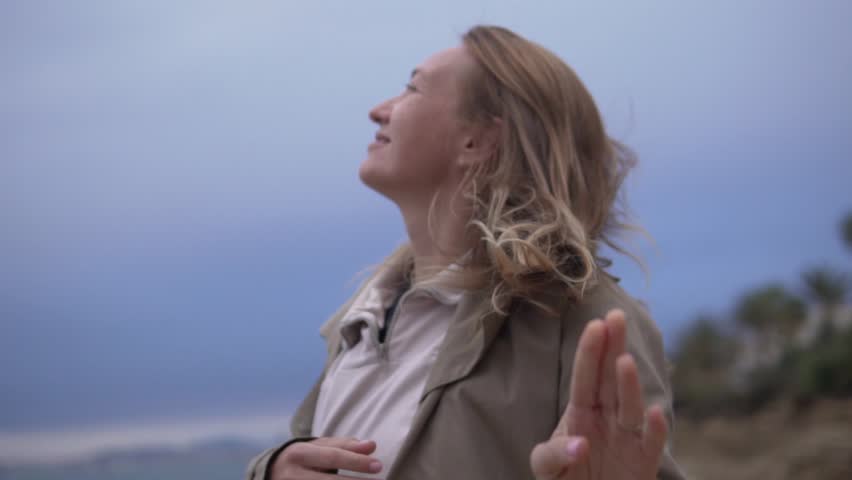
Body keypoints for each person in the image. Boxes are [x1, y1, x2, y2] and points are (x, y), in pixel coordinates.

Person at [245, 25, 686, 480]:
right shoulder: (359, 322)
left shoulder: (590, 322)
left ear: (479, 141)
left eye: (412, 88)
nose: (378, 111)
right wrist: (271, 470)